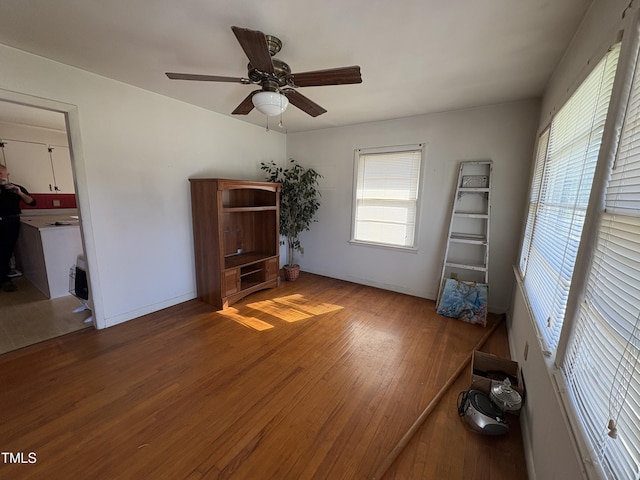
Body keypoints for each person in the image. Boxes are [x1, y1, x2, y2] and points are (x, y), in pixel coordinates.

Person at [0, 164, 36, 292]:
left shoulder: (16, 188)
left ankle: (4, 279)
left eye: (1, 173)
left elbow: (32, 202)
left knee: (7, 250)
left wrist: (20, 193)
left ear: (7, 174)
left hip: (11, 222)